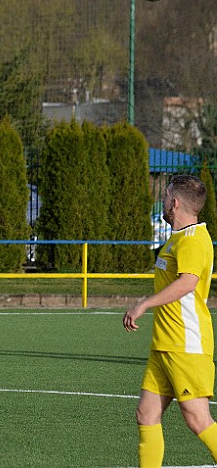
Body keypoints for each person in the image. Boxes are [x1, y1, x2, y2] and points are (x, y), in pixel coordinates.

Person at [123, 174, 217, 467]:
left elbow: (188, 282)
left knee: (198, 419)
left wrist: (144, 304)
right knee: (146, 414)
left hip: (185, 344)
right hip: (165, 344)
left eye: (164, 197)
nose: (162, 202)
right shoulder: (178, 239)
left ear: (174, 203)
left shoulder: (192, 241)